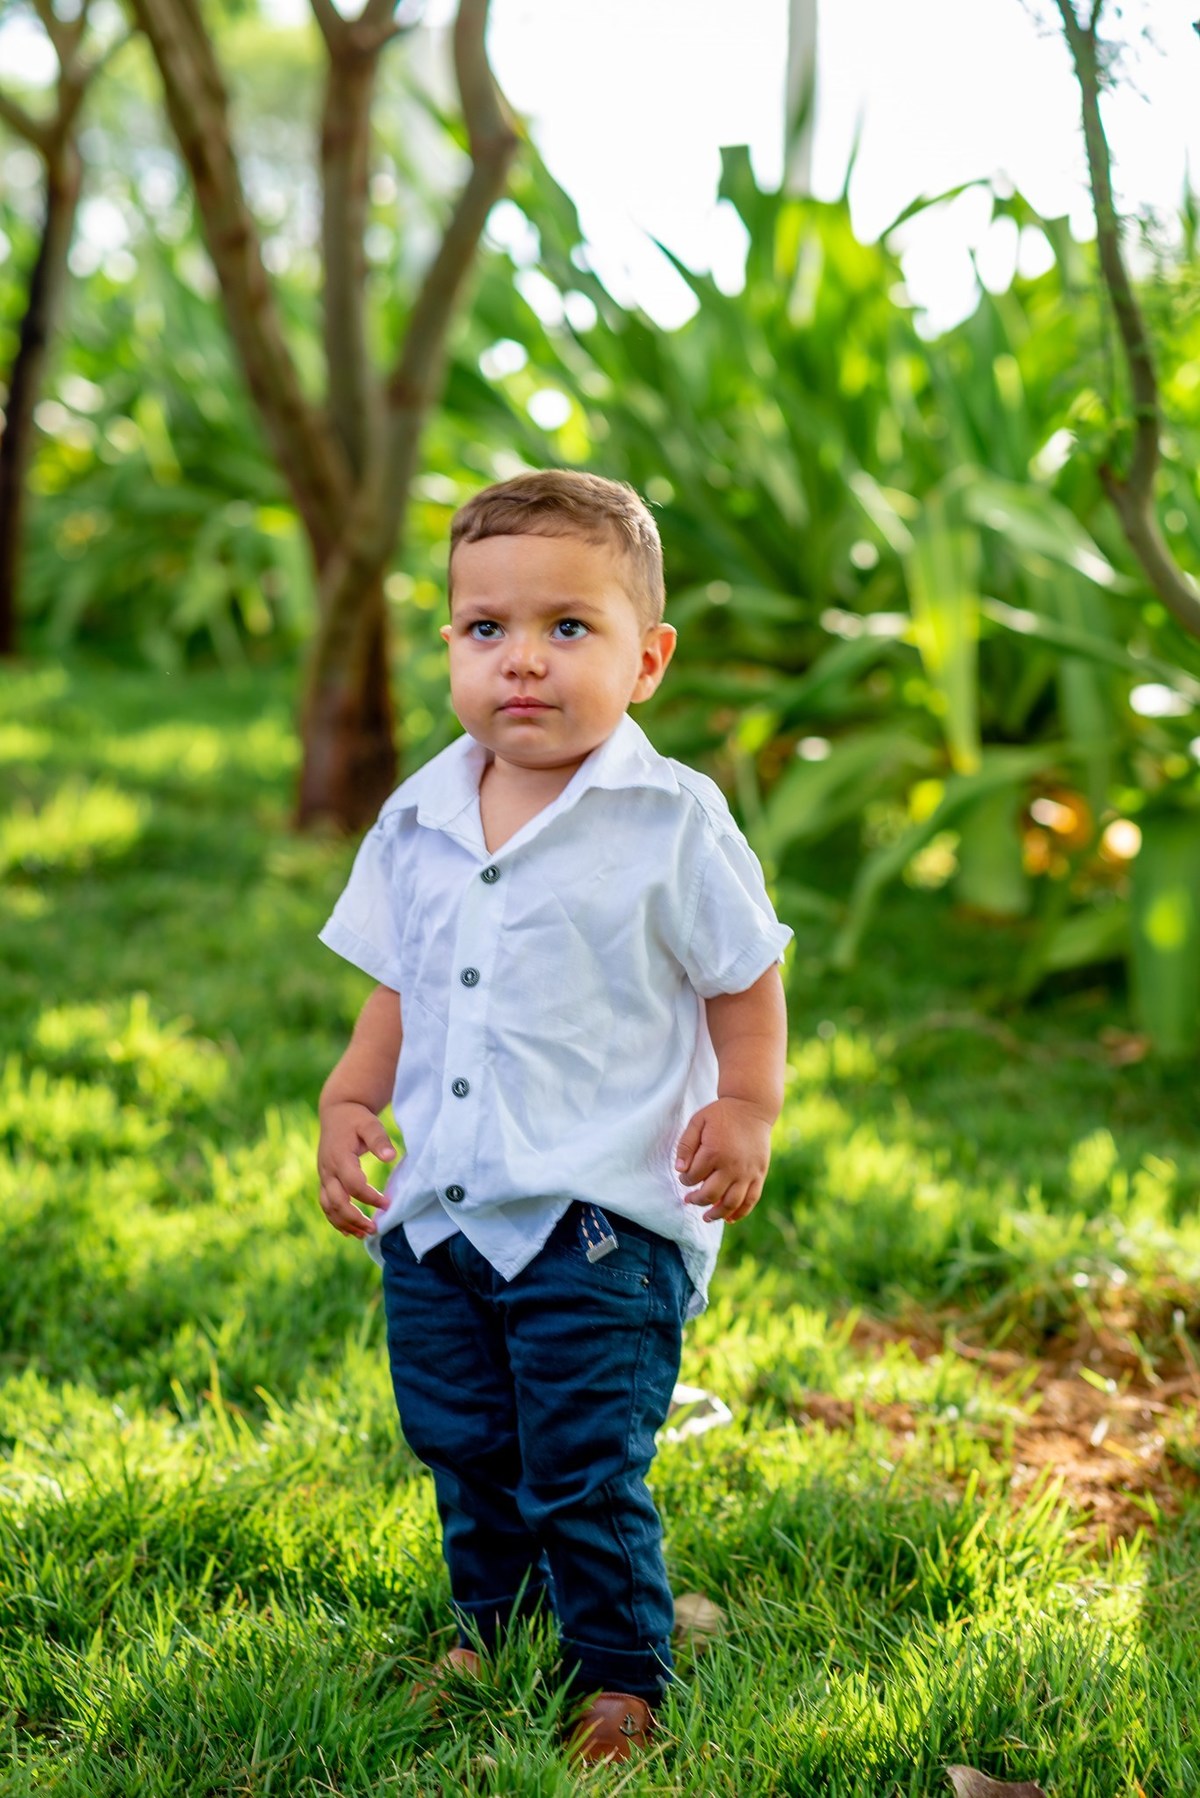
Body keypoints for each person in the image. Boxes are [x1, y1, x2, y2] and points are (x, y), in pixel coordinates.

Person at [315, 469, 790, 1763]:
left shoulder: (672, 820)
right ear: (451, 645)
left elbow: (744, 980)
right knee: (463, 1443)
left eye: (567, 627)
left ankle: (621, 1672)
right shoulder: (418, 815)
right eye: (488, 628)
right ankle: (499, 1626)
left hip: (602, 1217)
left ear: (648, 659)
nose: (522, 659)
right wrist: (352, 1094)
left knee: (581, 1459)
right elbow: (400, 985)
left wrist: (746, 1103)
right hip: (440, 1215)